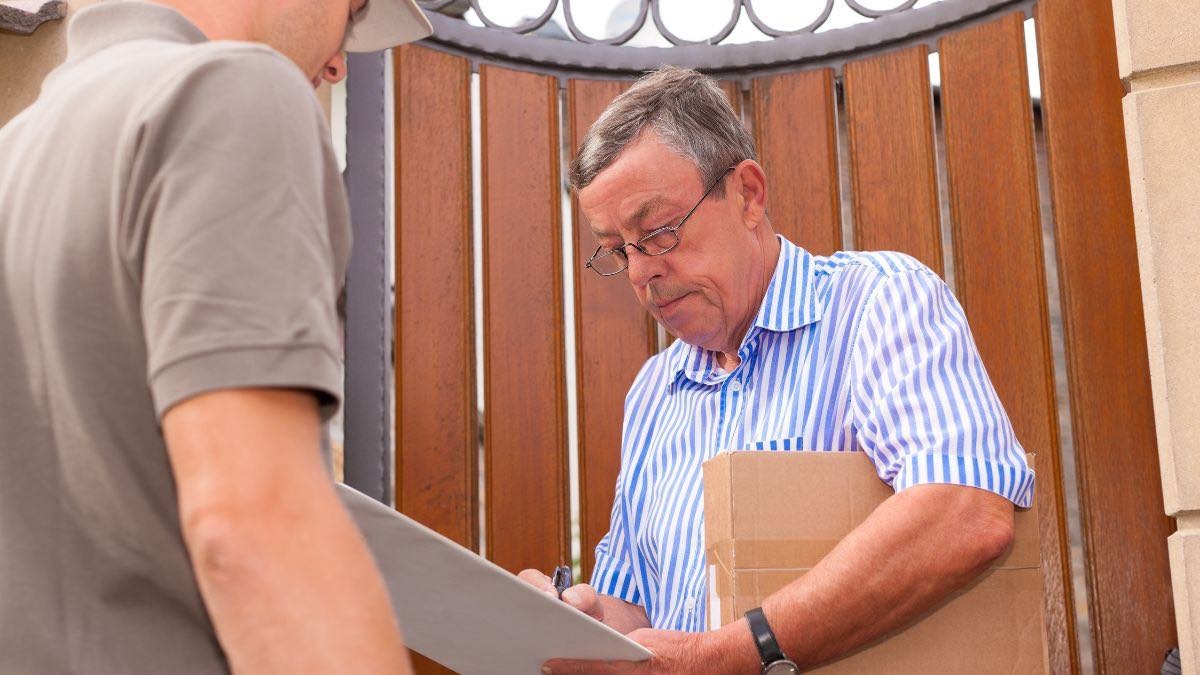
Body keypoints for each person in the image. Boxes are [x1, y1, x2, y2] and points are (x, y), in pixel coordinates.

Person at [520, 66, 1034, 673]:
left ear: (748, 194)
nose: (639, 273)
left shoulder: (876, 303)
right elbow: (642, 611)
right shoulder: (654, 393)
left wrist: (724, 658)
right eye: (616, 250)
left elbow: (966, 510)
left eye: (657, 233)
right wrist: (574, 621)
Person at [0, 0, 430, 672]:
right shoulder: (234, 91)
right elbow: (255, 530)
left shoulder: (16, 149)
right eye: (351, 13)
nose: (340, 65)